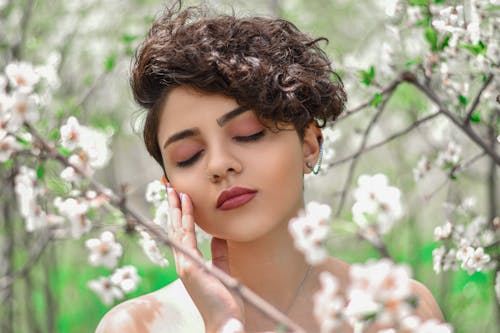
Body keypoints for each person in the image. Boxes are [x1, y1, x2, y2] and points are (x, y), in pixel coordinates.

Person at [96, 3, 444, 332]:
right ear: (170, 186)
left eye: (249, 134)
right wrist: (222, 324)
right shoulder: (138, 326)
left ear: (309, 144)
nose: (219, 165)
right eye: (188, 156)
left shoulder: (397, 308)